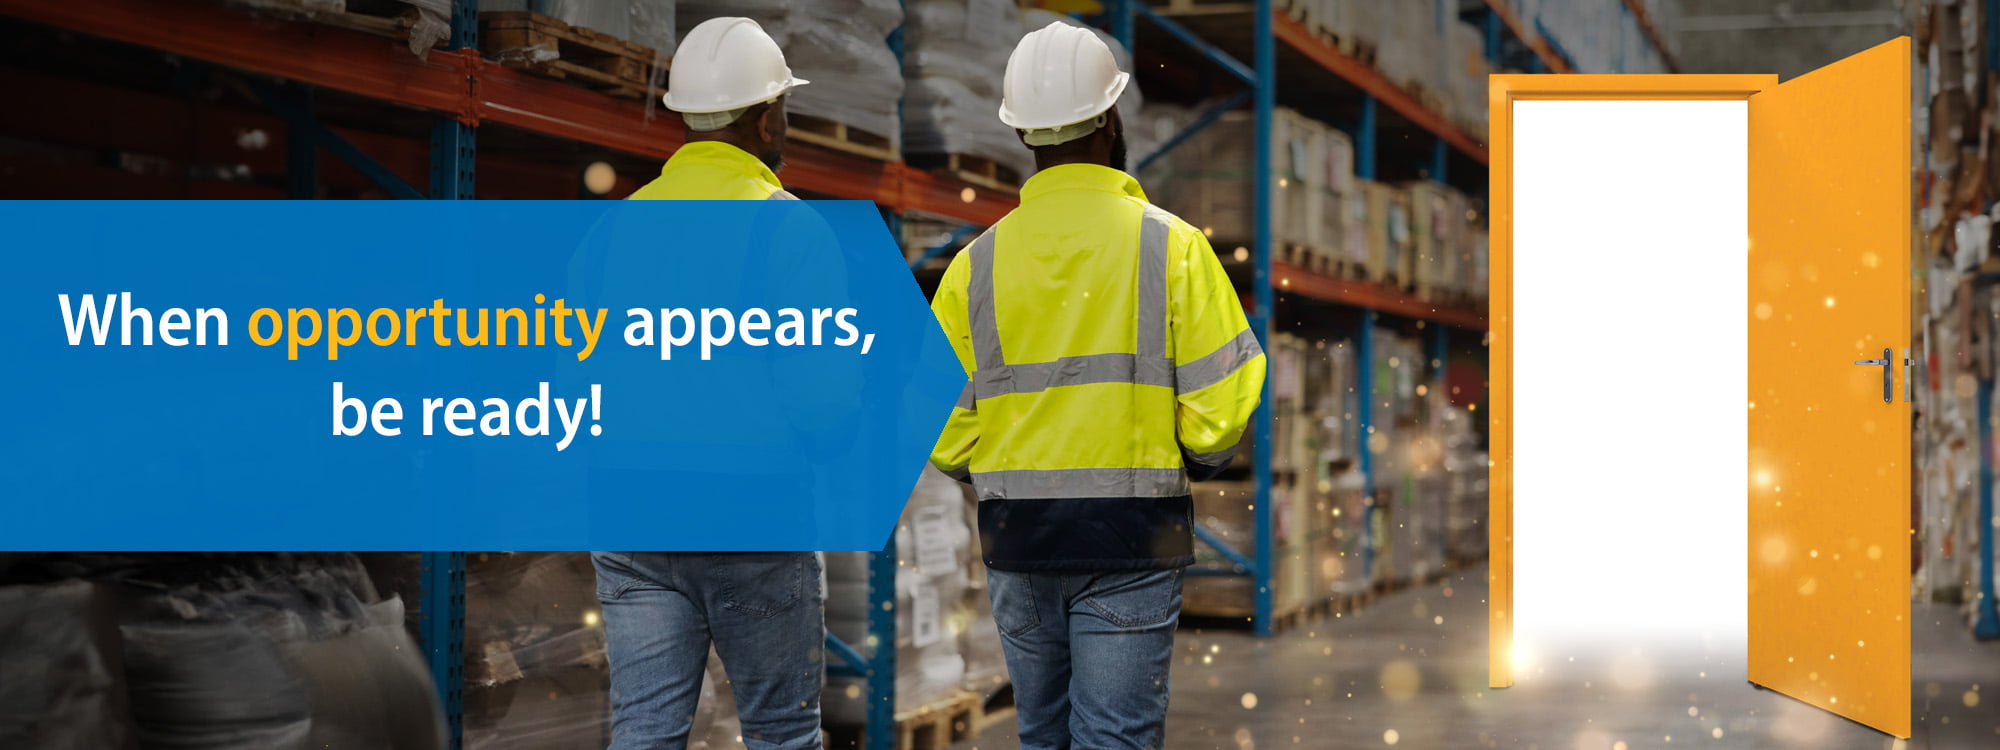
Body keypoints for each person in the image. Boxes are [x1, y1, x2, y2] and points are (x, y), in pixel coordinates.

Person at [927, 21, 1267, 750]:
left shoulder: (973, 266)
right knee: (1116, 737)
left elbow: (942, 426)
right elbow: (1224, 402)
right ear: (1111, 119)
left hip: (1018, 538)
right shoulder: (1170, 246)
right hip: (1134, 539)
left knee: (1042, 733)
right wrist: (1187, 456)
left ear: (1022, 134)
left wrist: (995, 469)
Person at [593, 16, 824, 750]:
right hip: (751, 514)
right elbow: (826, 404)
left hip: (631, 510)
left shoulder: (610, 231)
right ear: (765, 118)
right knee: (781, 733)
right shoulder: (791, 231)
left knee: (645, 731)